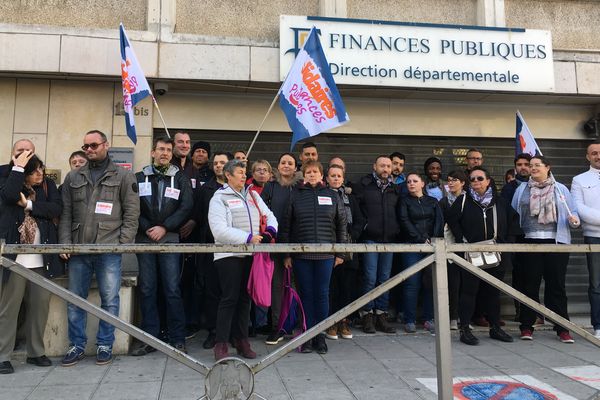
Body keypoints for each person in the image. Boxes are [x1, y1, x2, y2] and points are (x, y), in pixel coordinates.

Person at [59, 130, 140, 366]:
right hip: (79, 249)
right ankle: (77, 345)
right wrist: (65, 243)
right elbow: (65, 214)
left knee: (110, 299)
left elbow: (132, 213)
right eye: (85, 146)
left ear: (106, 145)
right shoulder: (72, 177)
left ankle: (105, 344)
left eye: (94, 145)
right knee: (75, 299)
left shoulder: (124, 176)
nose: (89, 150)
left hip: (108, 250)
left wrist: (122, 244)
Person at [208, 159, 277, 361]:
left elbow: (270, 216)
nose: (243, 175)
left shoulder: (253, 195)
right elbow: (219, 230)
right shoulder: (219, 198)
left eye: (244, 171)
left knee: (245, 300)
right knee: (229, 298)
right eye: (239, 172)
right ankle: (221, 344)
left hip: (251, 255)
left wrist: (270, 232)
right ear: (228, 175)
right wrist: (247, 238)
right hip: (228, 254)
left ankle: (241, 340)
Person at [0, 152, 62, 374]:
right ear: (23, 174)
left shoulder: (47, 188)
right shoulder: (9, 187)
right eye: (33, 170)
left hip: (41, 260)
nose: (40, 174)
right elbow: (8, 196)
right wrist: (17, 168)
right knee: (9, 309)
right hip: (14, 260)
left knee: (39, 307)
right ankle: (2, 355)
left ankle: (36, 352)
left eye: (41, 169)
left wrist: (29, 205)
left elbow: (55, 209)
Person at [131, 137, 193, 356]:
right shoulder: (139, 177)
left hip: (170, 239)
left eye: (168, 149)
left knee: (172, 289)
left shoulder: (181, 178)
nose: (165, 153)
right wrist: (149, 228)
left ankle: (177, 338)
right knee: (147, 288)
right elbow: (132, 207)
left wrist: (165, 228)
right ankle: (150, 338)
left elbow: (186, 207)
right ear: (153, 152)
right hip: (145, 238)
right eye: (161, 149)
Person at [280, 160, 346, 354]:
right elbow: (286, 227)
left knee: (322, 294)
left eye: (315, 172)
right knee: (306, 295)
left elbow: (342, 225)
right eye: (308, 172)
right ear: (303, 175)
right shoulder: (295, 196)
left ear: (321, 174)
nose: (311, 175)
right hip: (301, 255)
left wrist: (340, 252)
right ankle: (307, 336)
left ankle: (320, 336)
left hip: (326, 255)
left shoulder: (332, 196)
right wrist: (286, 254)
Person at [447, 166, 519, 346]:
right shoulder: (463, 200)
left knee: (492, 292)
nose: (476, 182)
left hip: (497, 254)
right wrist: (461, 240)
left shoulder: (500, 202)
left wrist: (507, 244)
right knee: (468, 292)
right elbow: (452, 220)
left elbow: (513, 222)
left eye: (480, 178)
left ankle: (495, 327)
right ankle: (465, 328)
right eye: (472, 179)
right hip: (470, 254)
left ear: (488, 181)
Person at [512, 155, 580, 343]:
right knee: (529, 286)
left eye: (537, 165)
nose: (533, 168)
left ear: (547, 167)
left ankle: (562, 328)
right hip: (529, 243)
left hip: (556, 243)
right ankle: (526, 326)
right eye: (531, 166)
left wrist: (574, 221)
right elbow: (513, 213)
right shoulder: (522, 189)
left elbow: (572, 212)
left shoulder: (560, 188)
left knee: (556, 286)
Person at [354, 155, 400, 334]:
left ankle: (381, 314)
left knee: (385, 279)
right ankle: (367, 315)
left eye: (388, 166)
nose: (386, 169)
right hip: (370, 239)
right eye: (382, 166)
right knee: (370, 278)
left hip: (389, 240)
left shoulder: (395, 189)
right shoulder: (364, 185)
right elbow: (357, 210)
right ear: (375, 166)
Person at [261, 153, 301, 345]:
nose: (286, 166)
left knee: (297, 287)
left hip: (299, 243)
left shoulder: (300, 187)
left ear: (295, 167)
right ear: (278, 166)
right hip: (275, 243)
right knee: (277, 287)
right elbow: (263, 213)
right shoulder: (270, 186)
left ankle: (298, 325)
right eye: (283, 162)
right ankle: (277, 327)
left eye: (290, 163)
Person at [398, 172, 443, 334]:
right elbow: (404, 221)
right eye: (408, 181)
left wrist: (433, 239)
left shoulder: (432, 201)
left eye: (415, 181)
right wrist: (420, 238)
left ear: (422, 184)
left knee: (429, 283)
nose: (411, 184)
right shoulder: (404, 201)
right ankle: (409, 319)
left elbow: (439, 221)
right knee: (412, 283)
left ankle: (428, 318)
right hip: (411, 246)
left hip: (431, 246)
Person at [324, 163, 365, 341]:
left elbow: (361, 219)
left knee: (347, 286)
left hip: (349, 247)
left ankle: (344, 321)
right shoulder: (322, 195)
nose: (335, 178)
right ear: (326, 178)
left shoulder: (351, 198)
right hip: (330, 247)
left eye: (338, 176)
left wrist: (353, 233)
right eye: (332, 175)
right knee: (332, 287)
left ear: (343, 178)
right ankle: (331, 322)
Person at [197, 151, 232, 349]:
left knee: (231, 292)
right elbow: (200, 217)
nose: (219, 166)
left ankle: (232, 333)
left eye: (223, 163)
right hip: (210, 248)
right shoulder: (206, 189)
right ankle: (213, 332)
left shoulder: (239, 189)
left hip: (233, 249)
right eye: (216, 163)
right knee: (212, 292)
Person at [572, 141, 600, 338]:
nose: (598, 156)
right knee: (596, 284)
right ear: (588, 157)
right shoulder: (579, 180)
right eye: (594, 153)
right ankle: (598, 326)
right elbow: (579, 208)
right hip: (594, 236)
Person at [438, 170, 468, 330]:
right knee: (453, 283)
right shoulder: (443, 202)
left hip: (468, 245)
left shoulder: (469, 200)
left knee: (468, 284)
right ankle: (453, 317)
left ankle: (467, 318)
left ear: (463, 182)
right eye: (448, 180)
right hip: (449, 246)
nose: (450, 183)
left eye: (454, 180)